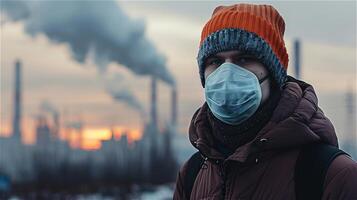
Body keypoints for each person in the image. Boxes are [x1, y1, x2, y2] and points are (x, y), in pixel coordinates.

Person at [173, 3, 357, 200]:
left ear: (274, 74)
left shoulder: (332, 175)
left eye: (244, 59)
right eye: (215, 62)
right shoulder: (192, 174)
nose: (227, 74)